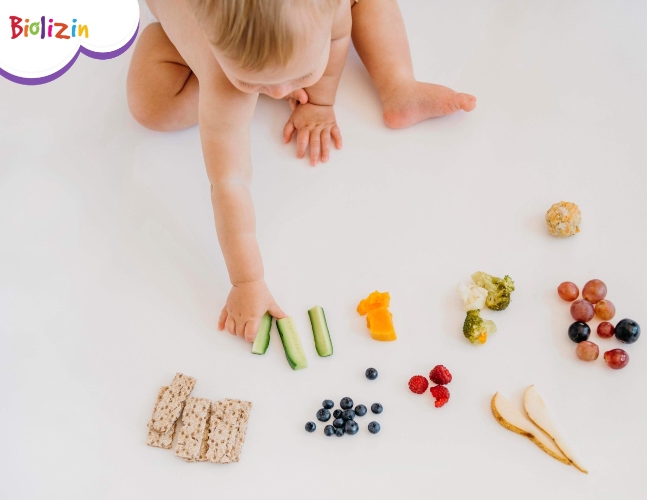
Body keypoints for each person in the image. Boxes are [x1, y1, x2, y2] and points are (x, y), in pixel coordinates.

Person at [126, 0, 476, 342]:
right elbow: (228, 183)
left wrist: (321, 101)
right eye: (255, 81)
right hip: (198, 42)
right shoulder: (222, 80)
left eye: (300, 75)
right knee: (150, 107)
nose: (282, 92)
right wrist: (247, 281)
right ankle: (238, 63)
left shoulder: (332, 9)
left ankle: (399, 85)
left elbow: (338, 36)